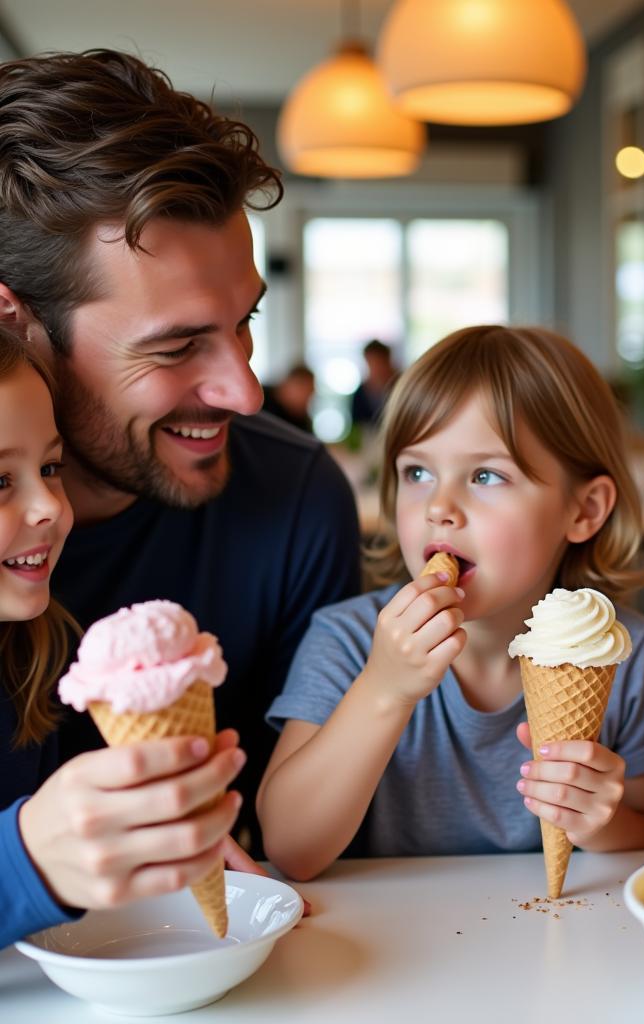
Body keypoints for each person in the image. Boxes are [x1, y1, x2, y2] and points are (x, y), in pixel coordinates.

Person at [0, 50, 362, 852]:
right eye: (176, 347)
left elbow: (299, 833)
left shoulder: (295, 500)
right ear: (13, 317)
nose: (245, 391)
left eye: (244, 324)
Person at [257, 325, 644, 881]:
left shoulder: (621, 651)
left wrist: (600, 823)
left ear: (584, 509)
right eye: (417, 472)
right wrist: (384, 689)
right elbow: (291, 846)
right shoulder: (348, 640)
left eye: (486, 475)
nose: (439, 506)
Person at [0, 329, 245, 949]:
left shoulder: (30, 652)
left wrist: (140, 843)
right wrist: (26, 860)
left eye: (49, 468)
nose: (50, 507)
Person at [350, 339, 399, 430]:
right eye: (371, 363)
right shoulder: (361, 392)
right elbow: (356, 425)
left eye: (379, 362)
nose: (375, 368)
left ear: (388, 360)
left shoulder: (401, 387)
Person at [262, 363, 315, 433]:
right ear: (288, 384)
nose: (305, 400)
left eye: (309, 395)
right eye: (302, 390)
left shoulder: (302, 421)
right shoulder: (260, 397)